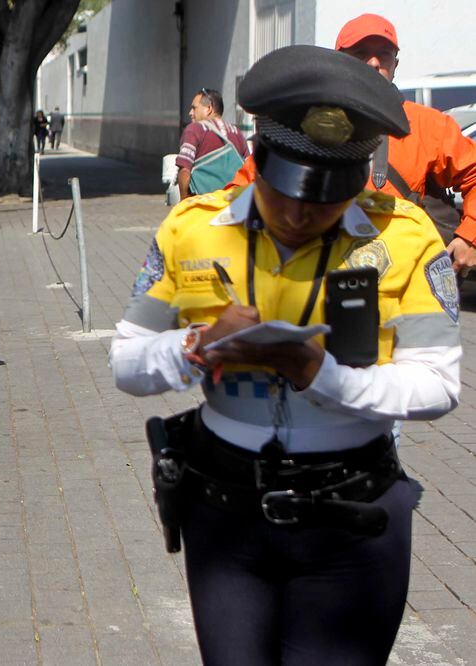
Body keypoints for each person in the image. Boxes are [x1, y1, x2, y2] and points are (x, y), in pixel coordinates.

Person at [111, 45, 461, 664]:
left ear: (357, 179)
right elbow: (127, 362)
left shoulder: (404, 237)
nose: (300, 213)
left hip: (352, 520)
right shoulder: (193, 226)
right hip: (225, 518)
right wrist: (196, 345)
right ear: (260, 158)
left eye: (325, 199)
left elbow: (438, 385)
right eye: (285, 191)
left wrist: (321, 377)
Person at [228, 14, 476, 276]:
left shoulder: (430, 126)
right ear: (339, 60)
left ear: (396, 64)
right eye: (360, 53)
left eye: (384, 55)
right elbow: (238, 194)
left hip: (401, 280)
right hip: (309, 279)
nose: (373, 63)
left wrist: (469, 236)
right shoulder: (300, 123)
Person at [176, 88, 249, 201]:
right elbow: (248, 168)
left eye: (194, 108)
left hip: (204, 206)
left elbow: (185, 169)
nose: (190, 113)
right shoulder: (237, 133)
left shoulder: (195, 129)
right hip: (232, 204)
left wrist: (184, 201)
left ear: (209, 108)